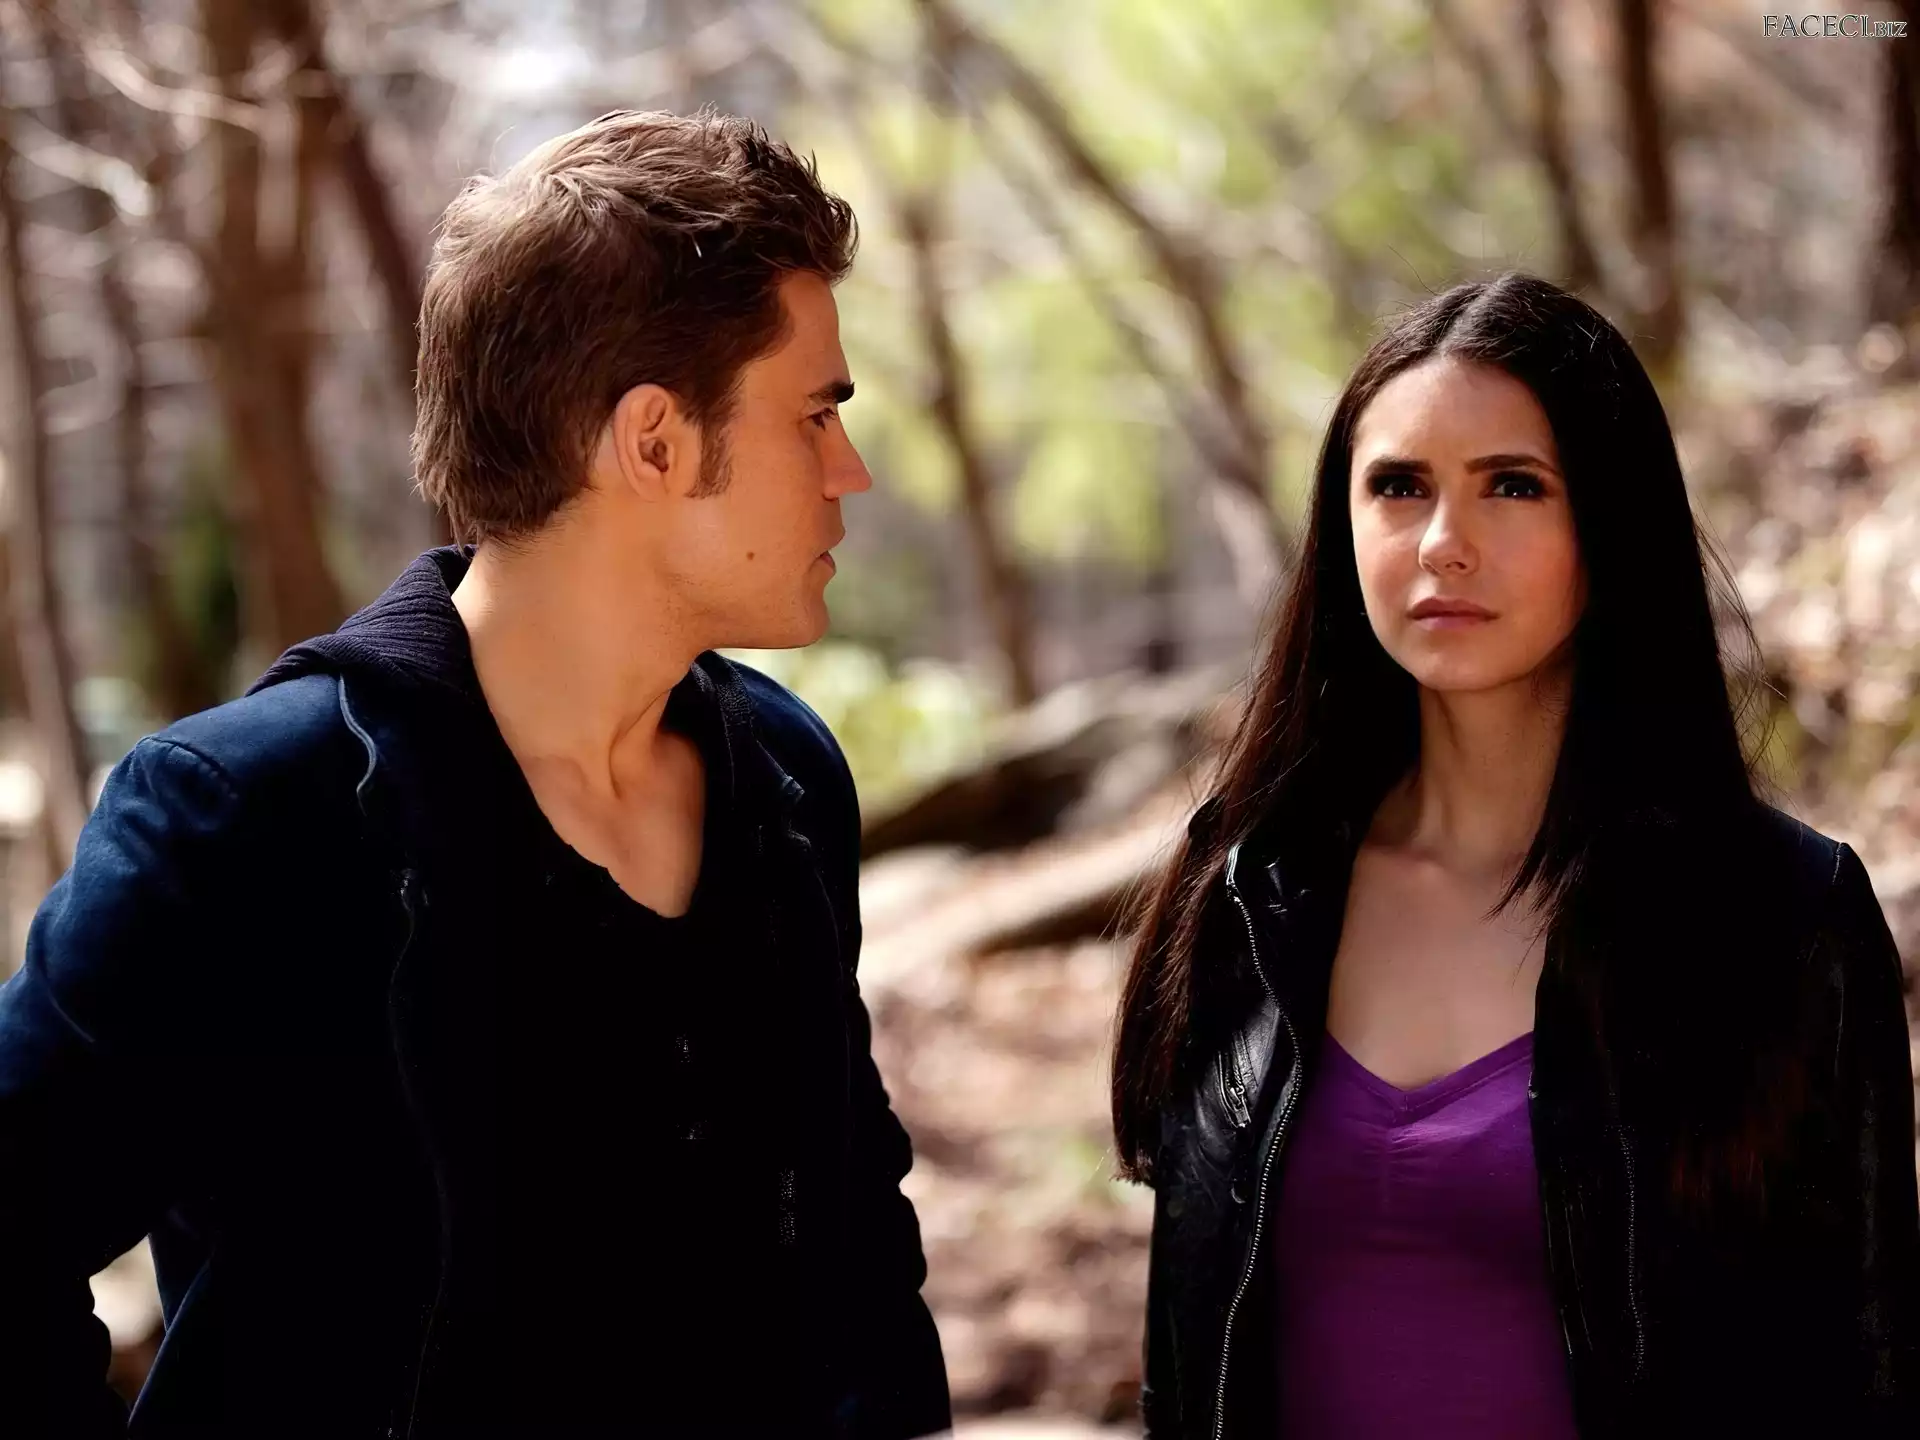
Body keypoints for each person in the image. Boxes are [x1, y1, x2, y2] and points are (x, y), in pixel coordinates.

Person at [0, 109, 950, 1440]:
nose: (850, 471)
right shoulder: (244, 818)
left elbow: (854, 1232)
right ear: (655, 441)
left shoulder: (783, 778)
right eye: (815, 414)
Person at [1112, 272, 1920, 1438]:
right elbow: (1182, 1370)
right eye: (1399, 486)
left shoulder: (1784, 915)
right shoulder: (1249, 893)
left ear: (1610, 524)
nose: (1445, 544)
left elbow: (1868, 1371)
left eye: (1512, 485)